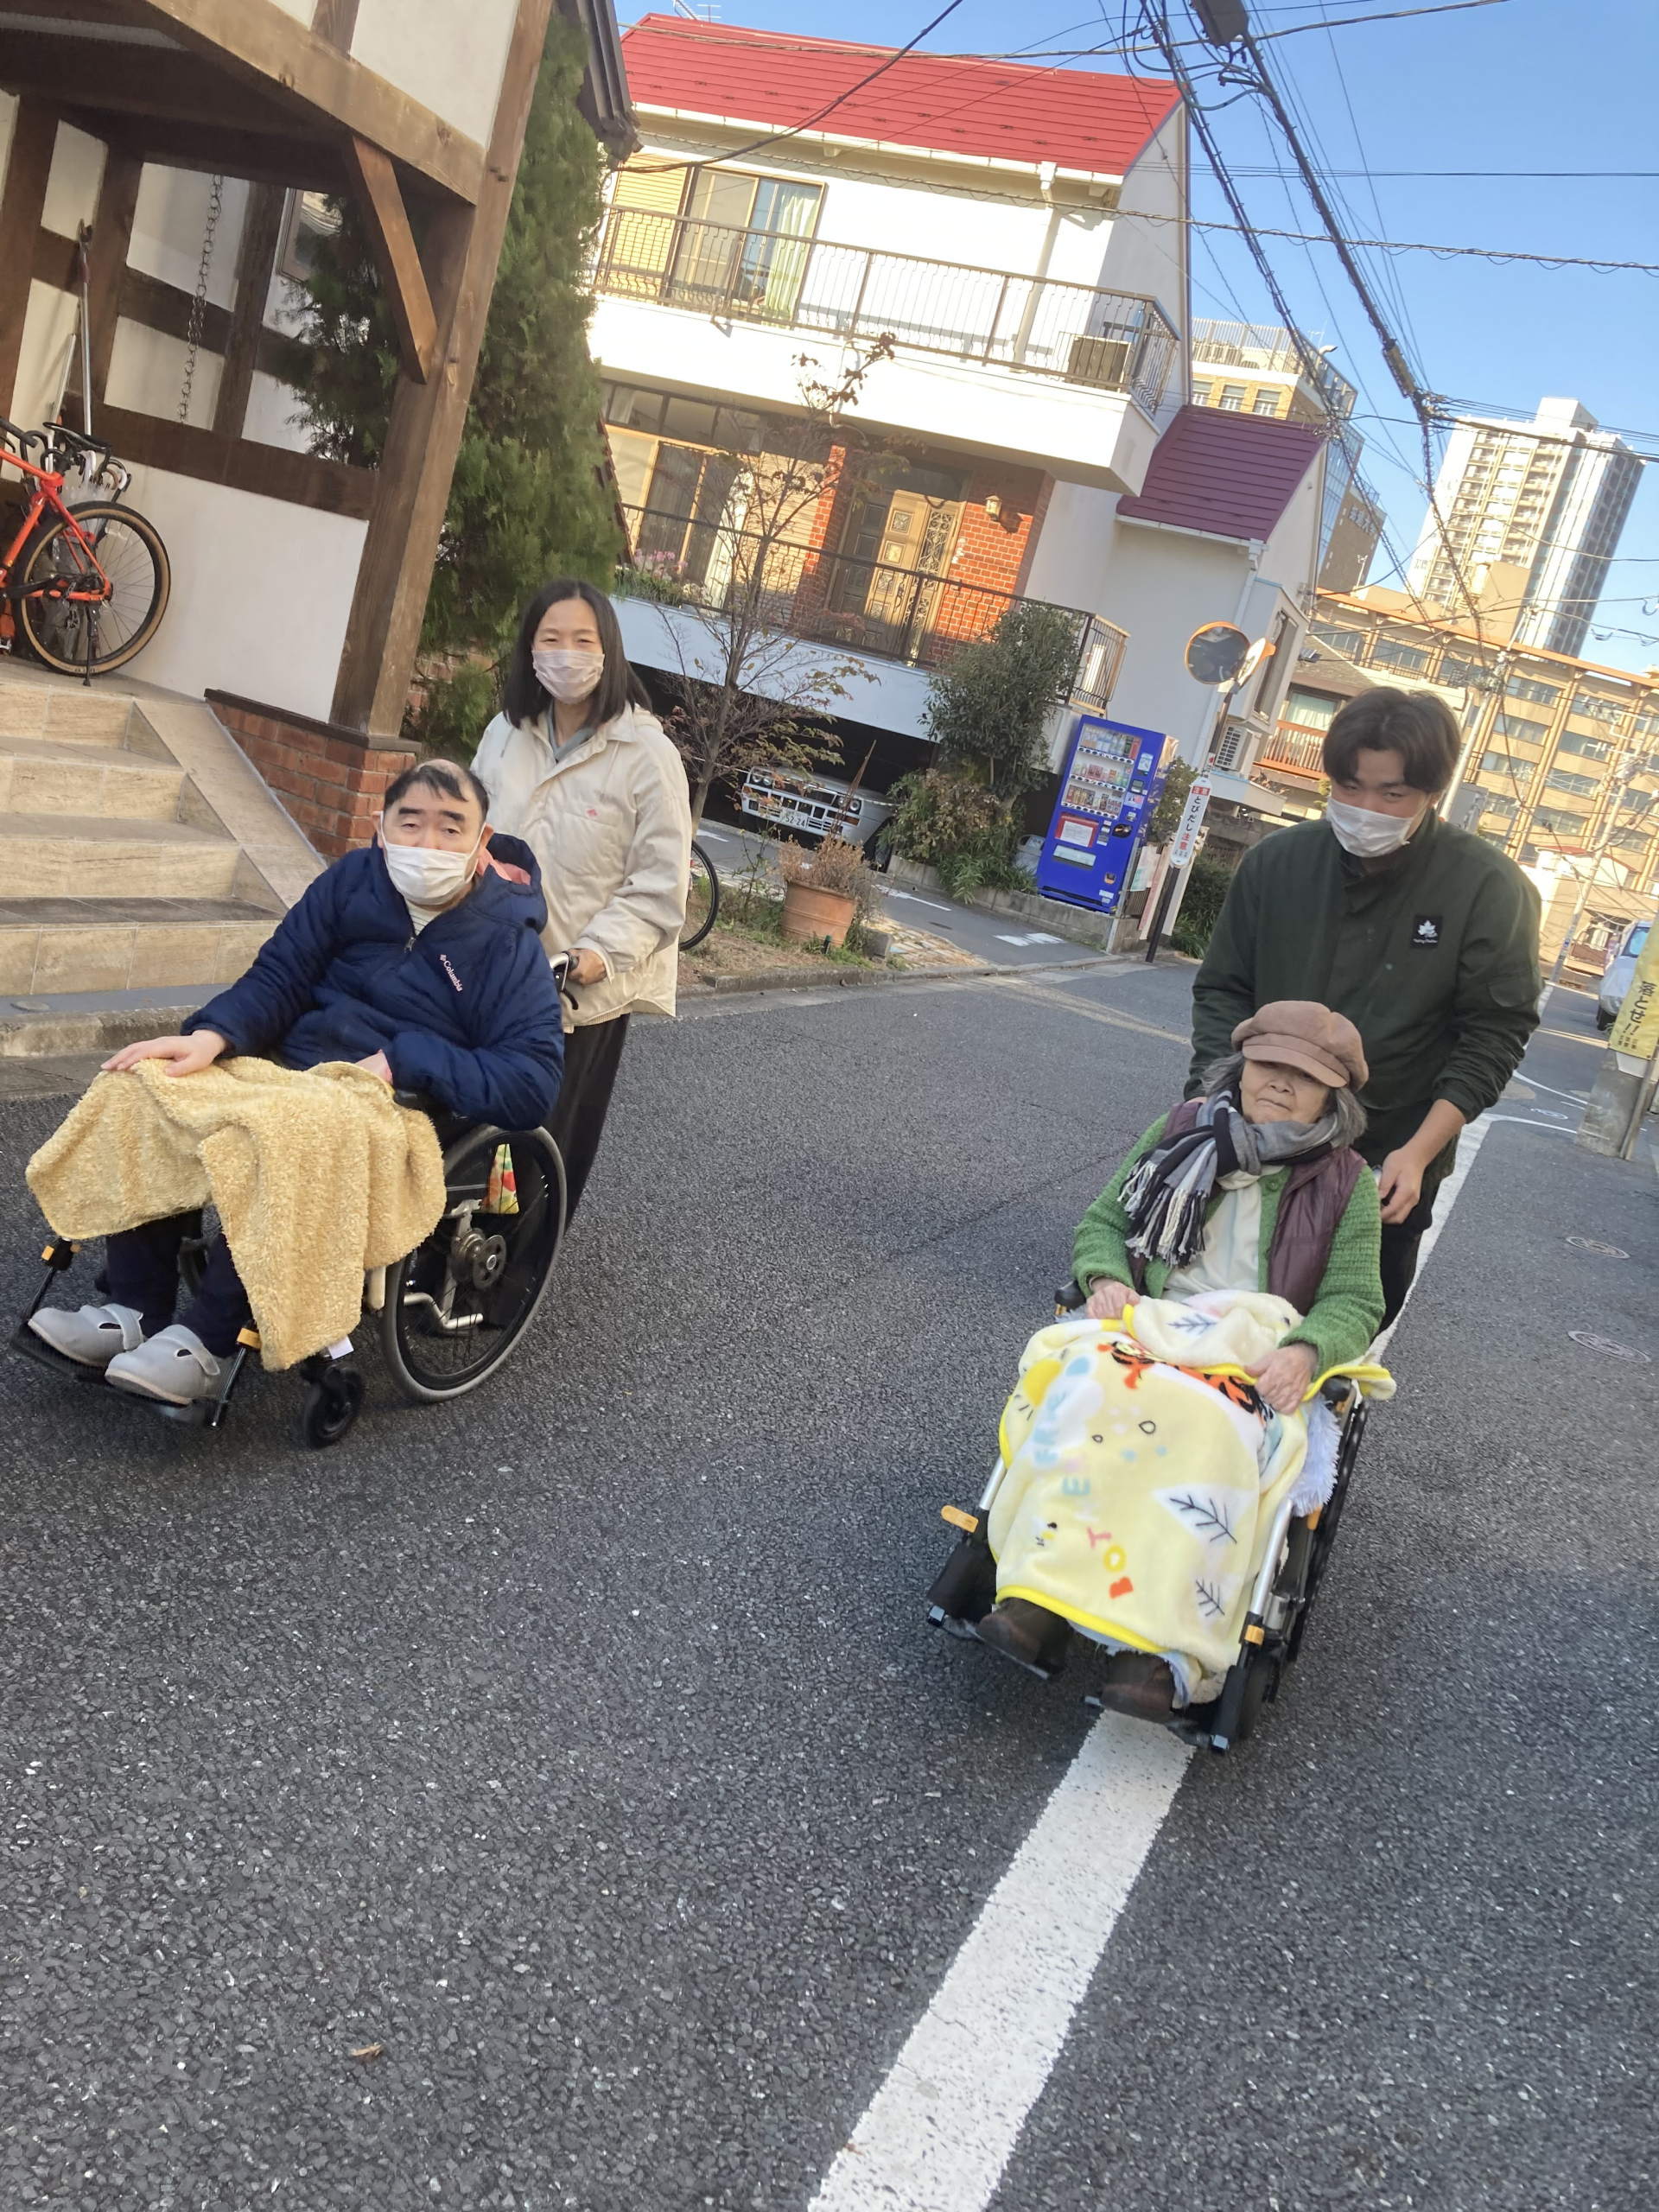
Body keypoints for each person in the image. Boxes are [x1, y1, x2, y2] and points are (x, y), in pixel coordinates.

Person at [28, 760, 564, 1406]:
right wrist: (213, 1035)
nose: (428, 844)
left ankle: (206, 1341)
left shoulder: (509, 944)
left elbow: (532, 1081)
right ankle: (133, 1307)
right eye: (411, 823)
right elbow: (281, 974)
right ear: (381, 827)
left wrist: (406, 1058)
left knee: (287, 1133)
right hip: (291, 1071)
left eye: (451, 828)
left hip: (397, 1103)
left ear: (482, 841)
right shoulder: (351, 882)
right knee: (148, 1084)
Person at [976, 1001, 1384, 1718]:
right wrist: (1106, 1277)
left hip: (1249, 1351)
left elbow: (1355, 1299)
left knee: (1208, 1428)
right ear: (1242, 1065)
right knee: (1088, 1394)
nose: (1280, 1082)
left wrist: (1306, 1350)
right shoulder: (1179, 1129)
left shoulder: (1348, 1182)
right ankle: (1039, 1592)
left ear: (1333, 1096)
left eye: (1304, 1076)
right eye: (1269, 1065)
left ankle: (1161, 1647)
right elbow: (1106, 1222)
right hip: (1153, 1323)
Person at [1189, 687, 1541, 1325]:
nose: (1365, 810)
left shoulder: (1489, 889)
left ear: (1432, 792)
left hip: (1389, 1155)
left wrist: (1420, 1151)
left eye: (1391, 794)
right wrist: (1210, 1103)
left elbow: (1494, 1032)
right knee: (1202, 1309)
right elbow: (1223, 990)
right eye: (1348, 788)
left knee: (1342, 1330)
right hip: (1254, 1134)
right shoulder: (1277, 863)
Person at [473, 580, 692, 1221]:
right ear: (530, 649)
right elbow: (468, 831)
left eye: (581, 640)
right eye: (551, 639)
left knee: (546, 1142)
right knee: (469, 1118)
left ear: (608, 651)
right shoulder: (505, 733)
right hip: (487, 965)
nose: (565, 654)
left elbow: (659, 887)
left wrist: (595, 954)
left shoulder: (646, 755)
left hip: (575, 984)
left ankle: (522, 1262)